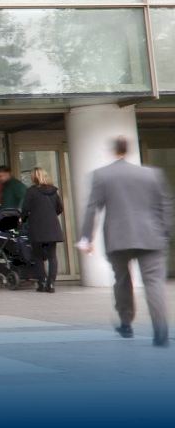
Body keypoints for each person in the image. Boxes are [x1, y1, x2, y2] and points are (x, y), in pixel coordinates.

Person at [77, 137, 173, 347]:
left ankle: (126, 323)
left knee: (121, 280)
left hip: (118, 238)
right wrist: (165, 233)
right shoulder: (152, 174)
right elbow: (165, 204)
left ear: (113, 151)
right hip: (152, 237)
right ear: (129, 150)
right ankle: (160, 330)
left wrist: (86, 239)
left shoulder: (102, 175)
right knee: (154, 283)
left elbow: (92, 208)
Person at [21, 167, 64, 293]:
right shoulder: (53, 191)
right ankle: (51, 284)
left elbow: (25, 209)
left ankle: (42, 282)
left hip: (37, 227)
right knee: (52, 256)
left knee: (38, 256)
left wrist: (23, 219)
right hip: (52, 227)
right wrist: (50, 215)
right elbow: (59, 208)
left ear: (33, 177)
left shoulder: (31, 191)